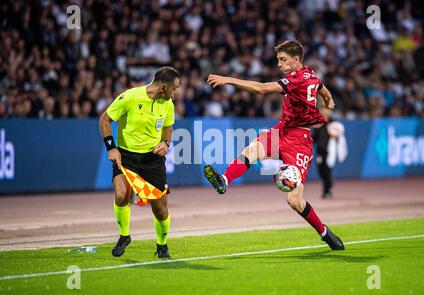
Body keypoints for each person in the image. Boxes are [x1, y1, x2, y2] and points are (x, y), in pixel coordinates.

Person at [203, 40, 344, 250]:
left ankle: (323, 231)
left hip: (299, 142)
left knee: (294, 201)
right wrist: (329, 100)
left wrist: (228, 80)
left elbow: (261, 89)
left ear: (296, 60)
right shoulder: (310, 74)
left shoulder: (297, 79)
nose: (279, 63)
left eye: (283, 59)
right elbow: (322, 88)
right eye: (278, 59)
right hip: (281, 130)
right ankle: (224, 179)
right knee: (252, 150)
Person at [99, 66, 180, 258]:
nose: (175, 93)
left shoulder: (167, 104)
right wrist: (111, 148)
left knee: (160, 210)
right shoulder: (130, 97)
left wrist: (166, 143)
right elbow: (104, 120)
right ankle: (124, 236)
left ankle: (162, 245)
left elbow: (168, 128)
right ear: (163, 87)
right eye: (174, 89)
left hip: (153, 160)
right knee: (121, 196)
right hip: (126, 157)